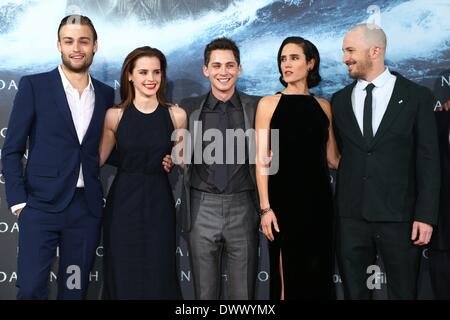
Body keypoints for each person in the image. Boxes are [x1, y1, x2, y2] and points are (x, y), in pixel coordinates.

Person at [1, 15, 115, 299]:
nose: (77, 47)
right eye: (69, 41)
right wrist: (18, 203)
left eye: (83, 41)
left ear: (95, 46)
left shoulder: (104, 94)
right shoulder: (34, 87)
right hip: (40, 208)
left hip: (84, 211)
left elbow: (106, 146)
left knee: (74, 289)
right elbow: (12, 148)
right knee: (30, 289)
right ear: (59, 45)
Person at [332, 23, 440, 299]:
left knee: (404, 293)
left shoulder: (417, 97)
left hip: (400, 218)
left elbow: (428, 160)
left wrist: (425, 216)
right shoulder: (339, 100)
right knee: (355, 294)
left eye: (350, 50)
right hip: (351, 218)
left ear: (376, 50)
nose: (345, 57)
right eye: (345, 51)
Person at [255, 36, 340, 300]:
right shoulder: (269, 104)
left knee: (318, 278)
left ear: (311, 63)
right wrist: (266, 208)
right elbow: (261, 159)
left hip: (319, 205)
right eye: (283, 59)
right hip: (283, 206)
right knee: (286, 282)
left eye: (294, 58)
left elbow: (333, 159)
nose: (286, 64)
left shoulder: (323, 107)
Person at [99, 46, 186, 299]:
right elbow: (97, 160)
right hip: (122, 205)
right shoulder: (114, 116)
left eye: (156, 72)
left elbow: (184, 160)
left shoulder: (176, 115)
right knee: (123, 272)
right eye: (144, 72)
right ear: (129, 75)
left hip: (159, 203)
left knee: (159, 272)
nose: (151, 79)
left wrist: (174, 158)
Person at [178, 37, 260, 300]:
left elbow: (273, 156)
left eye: (229, 65)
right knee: (204, 294)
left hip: (243, 206)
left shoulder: (258, 107)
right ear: (206, 70)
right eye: (216, 66)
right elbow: (178, 151)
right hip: (202, 206)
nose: (223, 72)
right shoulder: (188, 108)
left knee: (243, 295)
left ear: (239, 68)